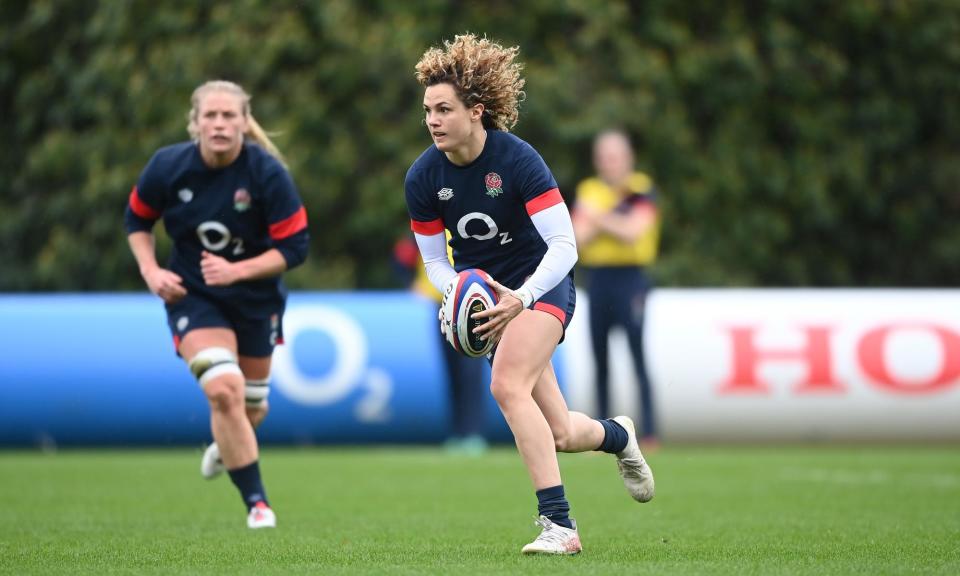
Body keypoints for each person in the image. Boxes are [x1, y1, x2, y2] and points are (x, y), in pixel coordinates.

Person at [404, 34, 655, 556]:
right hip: (495, 303)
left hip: (542, 284)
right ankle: (617, 436)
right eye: (428, 109)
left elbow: (565, 245)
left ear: (476, 111)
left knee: (505, 385)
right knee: (561, 431)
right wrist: (459, 291)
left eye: (444, 109)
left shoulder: (516, 160)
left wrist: (521, 295)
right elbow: (433, 261)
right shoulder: (423, 177)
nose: (432, 120)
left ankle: (559, 525)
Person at [124, 80, 309, 529]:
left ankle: (225, 447)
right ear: (196, 122)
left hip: (255, 300)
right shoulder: (168, 167)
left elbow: (296, 247)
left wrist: (237, 271)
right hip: (194, 296)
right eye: (211, 115)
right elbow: (137, 219)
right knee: (223, 389)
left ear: (245, 123)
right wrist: (151, 272)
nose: (220, 123)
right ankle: (258, 504)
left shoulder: (266, 173)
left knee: (251, 409)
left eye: (230, 116)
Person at [572, 129, 660, 446]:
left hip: (631, 278)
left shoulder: (641, 188)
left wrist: (597, 218)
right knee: (600, 356)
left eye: (615, 156)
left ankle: (650, 432)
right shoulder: (588, 188)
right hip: (598, 278)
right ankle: (602, 433)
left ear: (628, 158)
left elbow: (633, 232)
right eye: (604, 157)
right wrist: (610, 221)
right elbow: (577, 237)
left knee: (637, 353)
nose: (609, 163)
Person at [394, 233, 490, 455]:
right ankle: (458, 433)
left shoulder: (470, 224)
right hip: (441, 305)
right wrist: (411, 284)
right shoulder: (430, 223)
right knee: (452, 372)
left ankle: (473, 433)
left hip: (473, 305)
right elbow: (402, 256)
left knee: (470, 372)